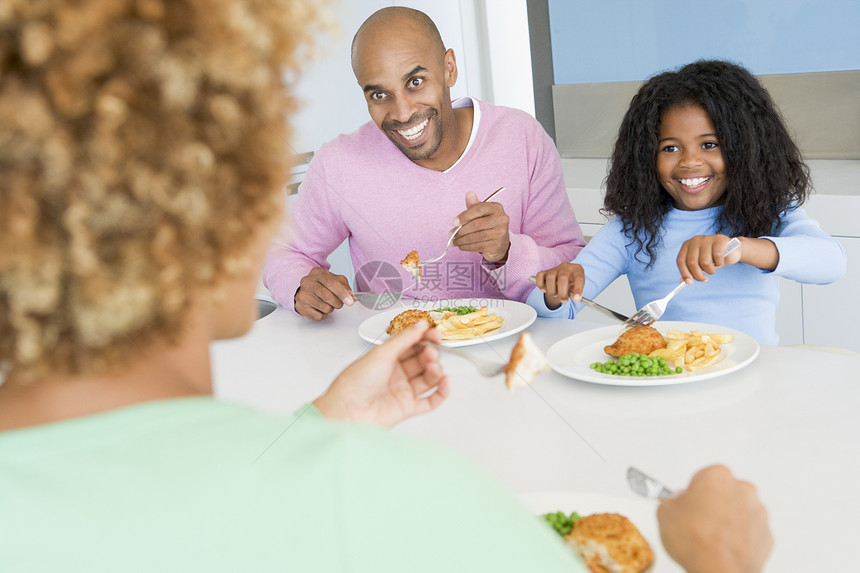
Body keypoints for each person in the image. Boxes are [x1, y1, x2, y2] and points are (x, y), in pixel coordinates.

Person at [0, 4, 771, 572]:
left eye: (414, 82)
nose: (399, 110)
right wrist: (713, 559)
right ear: (225, 226)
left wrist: (322, 421)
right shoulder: (411, 499)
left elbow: (206, 509)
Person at [262, 6, 586, 321]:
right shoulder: (339, 162)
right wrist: (299, 285)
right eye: (379, 95)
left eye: (415, 82)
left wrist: (507, 251)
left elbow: (570, 261)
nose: (402, 113)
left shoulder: (521, 137)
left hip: (511, 351)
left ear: (449, 68)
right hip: (396, 356)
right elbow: (284, 254)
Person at [530, 60, 846, 344]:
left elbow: (831, 262)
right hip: (672, 380)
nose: (690, 162)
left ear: (745, 148)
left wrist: (739, 248)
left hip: (757, 377)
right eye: (670, 148)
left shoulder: (769, 208)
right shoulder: (631, 229)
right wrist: (556, 293)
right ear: (645, 157)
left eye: (709, 144)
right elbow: (552, 312)